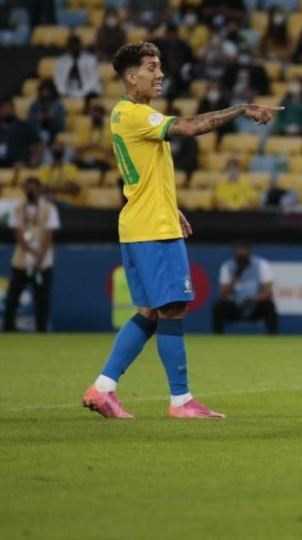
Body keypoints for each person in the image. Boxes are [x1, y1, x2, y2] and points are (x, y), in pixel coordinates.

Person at [81, 41, 281, 420]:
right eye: (151, 67)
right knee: (172, 308)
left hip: (142, 221)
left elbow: (144, 174)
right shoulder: (138, 115)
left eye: (160, 66)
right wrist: (240, 108)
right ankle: (181, 401)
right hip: (153, 229)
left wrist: (171, 206)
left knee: (150, 311)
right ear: (131, 76)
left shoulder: (126, 116)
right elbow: (189, 126)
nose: (159, 74)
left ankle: (102, 389)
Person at [2, 178, 59, 333]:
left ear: (40, 189)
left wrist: (40, 256)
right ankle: (8, 329)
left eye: (34, 188)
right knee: (13, 297)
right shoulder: (18, 208)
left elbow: (49, 234)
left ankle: (41, 330)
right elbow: (18, 234)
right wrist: (31, 252)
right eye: (28, 188)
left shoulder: (49, 208)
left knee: (42, 299)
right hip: (21, 260)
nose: (31, 191)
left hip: (43, 261)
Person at [212, 244, 278, 334]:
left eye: (243, 255)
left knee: (269, 305)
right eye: (239, 255)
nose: (241, 257)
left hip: (255, 304)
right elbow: (223, 294)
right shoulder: (227, 266)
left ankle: (272, 336)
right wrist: (235, 278)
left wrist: (252, 299)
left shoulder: (261, 265)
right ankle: (218, 336)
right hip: (236, 305)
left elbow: (267, 293)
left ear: (249, 252)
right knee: (219, 306)